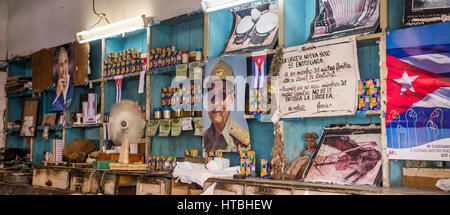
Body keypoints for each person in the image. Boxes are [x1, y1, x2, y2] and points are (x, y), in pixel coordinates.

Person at [203, 60, 250, 153]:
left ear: (232, 99)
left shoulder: (242, 142)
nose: (216, 102)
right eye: (212, 95)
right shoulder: (204, 137)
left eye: (222, 94)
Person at [51, 46, 74, 111]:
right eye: (61, 65)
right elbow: (54, 106)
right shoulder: (55, 88)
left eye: (66, 62)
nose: (64, 68)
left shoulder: (72, 85)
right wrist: (58, 93)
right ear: (57, 68)